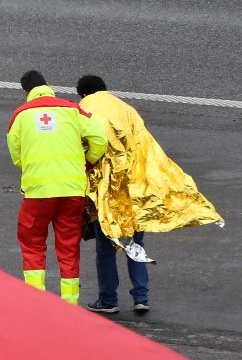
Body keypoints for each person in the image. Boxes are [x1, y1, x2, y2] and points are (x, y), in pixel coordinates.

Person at [76, 74, 224, 314]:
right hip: (136, 188)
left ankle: (108, 300)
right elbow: (146, 148)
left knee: (106, 247)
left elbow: (86, 146)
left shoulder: (85, 108)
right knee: (134, 242)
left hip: (106, 190)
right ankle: (141, 297)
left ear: (83, 93)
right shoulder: (127, 109)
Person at [6, 70, 108, 305]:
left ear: (26, 91)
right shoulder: (72, 109)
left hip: (38, 194)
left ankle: (36, 303)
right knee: (69, 248)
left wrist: (34, 165)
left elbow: (16, 156)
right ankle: (69, 304)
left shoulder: (20, 115)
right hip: (72, 192)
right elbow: (100, 139)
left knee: (33, 247)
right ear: (48, 86)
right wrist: (87, 162)